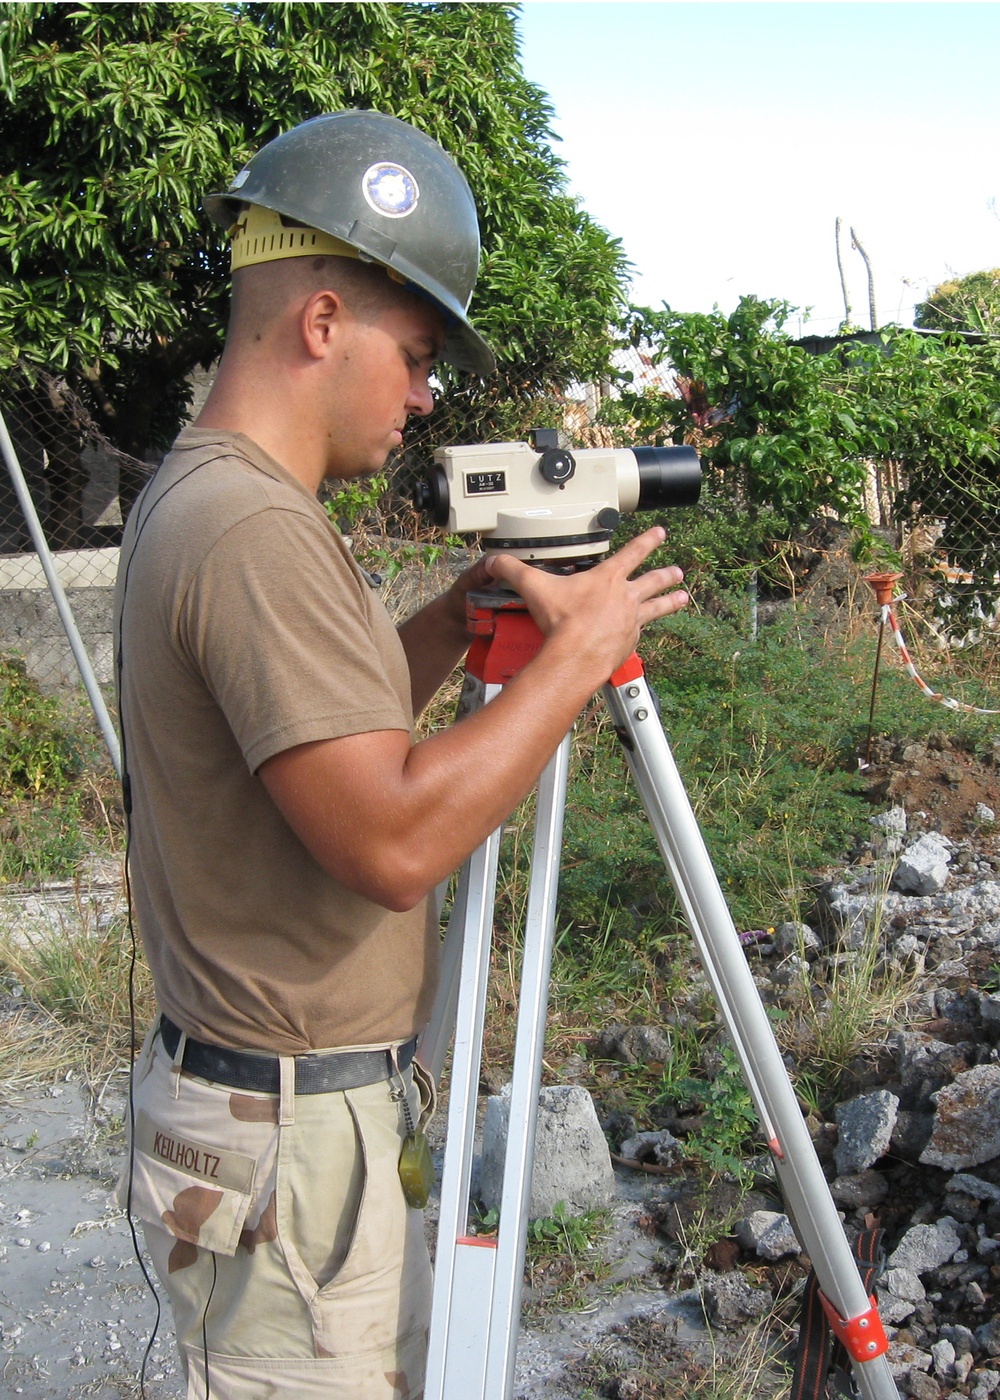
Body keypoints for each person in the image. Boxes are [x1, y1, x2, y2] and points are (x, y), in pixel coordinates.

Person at [114, 110, 688, 1400]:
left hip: (282, 1116)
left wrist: (457, 616)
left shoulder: (213, 495)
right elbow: (391, 837)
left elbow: (318, 734)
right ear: (324, 323)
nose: (428, 395)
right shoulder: (253, 531)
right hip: (285, 1142)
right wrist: (580, 656)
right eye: (419, 353)